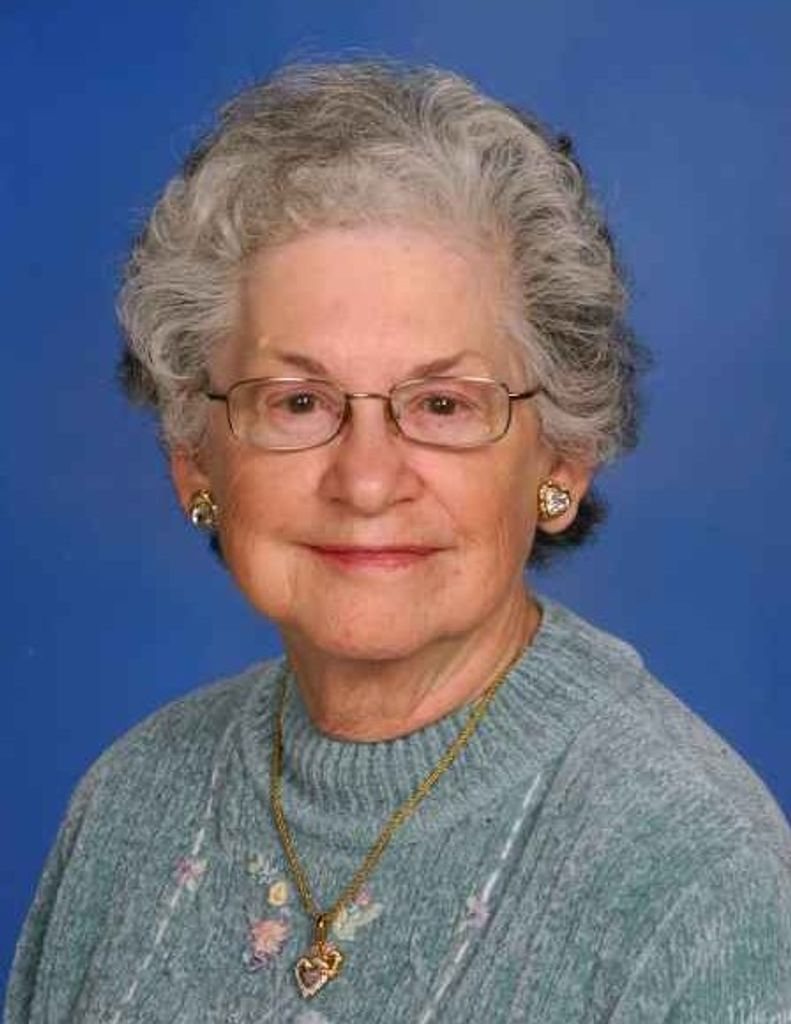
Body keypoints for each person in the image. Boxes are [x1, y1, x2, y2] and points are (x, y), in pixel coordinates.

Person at [6, 59, 791, 1024]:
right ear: (194, 459)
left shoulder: (695, 882)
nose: (368, 480)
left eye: (442, 404)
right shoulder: (129, 802)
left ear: (563, 459)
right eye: (298, 402)